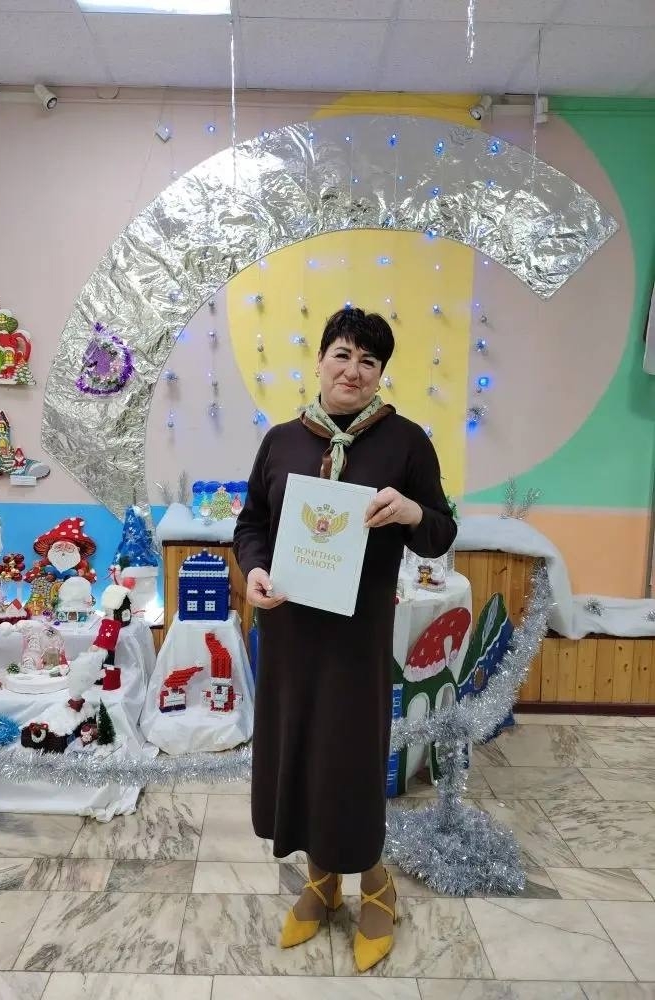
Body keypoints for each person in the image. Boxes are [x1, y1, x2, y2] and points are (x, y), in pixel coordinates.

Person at [233, 307, 457, 972]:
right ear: (321, 360)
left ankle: (375, 885)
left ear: (380, 373)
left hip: (356, 641)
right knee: (297, 754)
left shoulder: (405, 443)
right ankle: (322, 881)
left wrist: (412, 511)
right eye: (343, 354)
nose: (353, 370)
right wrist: (254, 570)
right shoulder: (281, 441)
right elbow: (251, 524)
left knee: (350, 761)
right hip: (290, 634)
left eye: (369, 361)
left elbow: (440, 531)